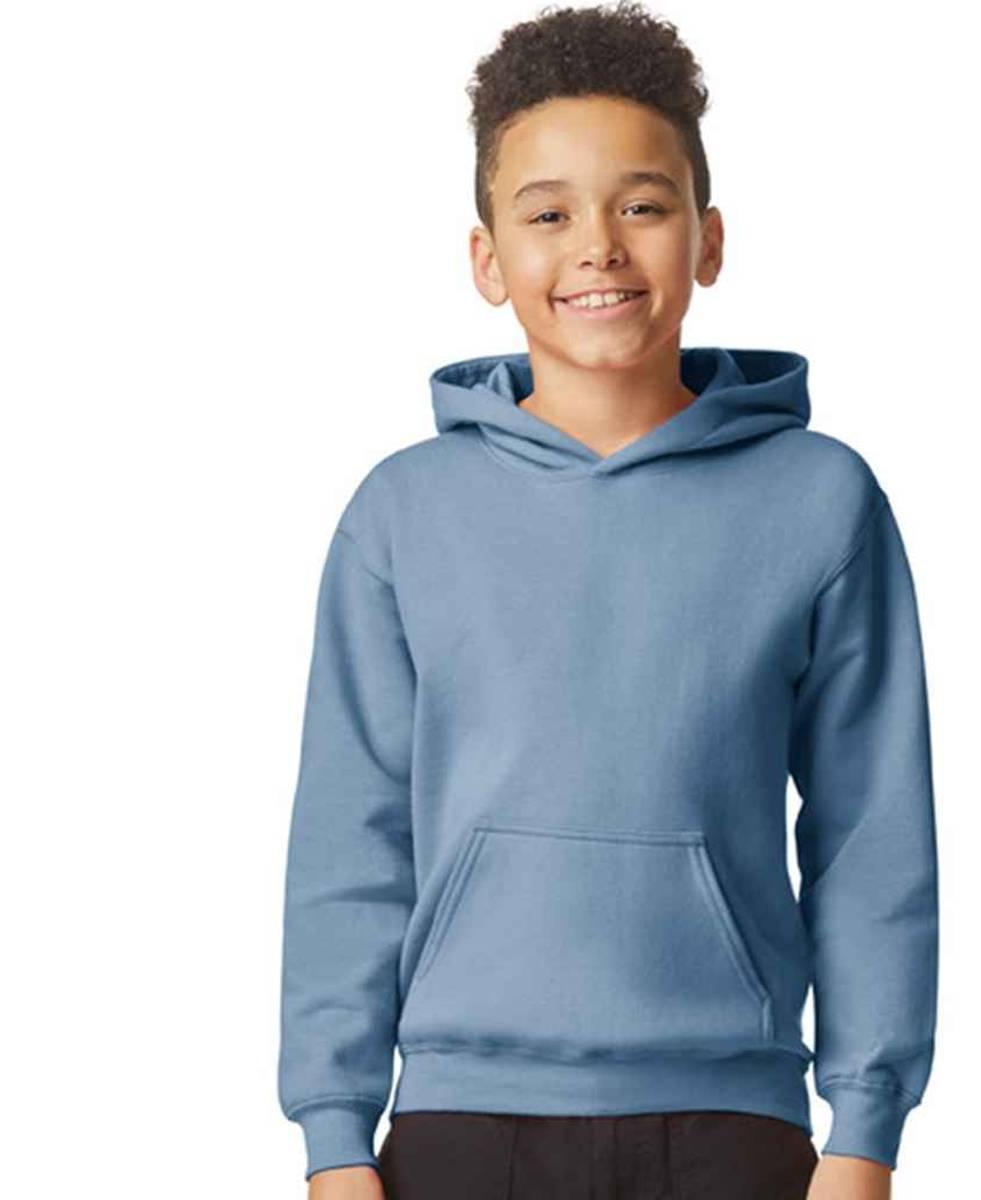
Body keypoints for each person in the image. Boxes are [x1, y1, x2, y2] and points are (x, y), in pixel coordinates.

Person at [276, 3, 939, 1197]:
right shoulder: (402, 513)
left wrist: (864, 1132)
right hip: (461, 1126)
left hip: (733, 1124)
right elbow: (350, 837)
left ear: (708, 239)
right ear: (488, 260)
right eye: (548, 214)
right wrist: (333, 1136)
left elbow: (871, 834)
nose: (598, 247)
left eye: (641, 205)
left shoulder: (820, 499)